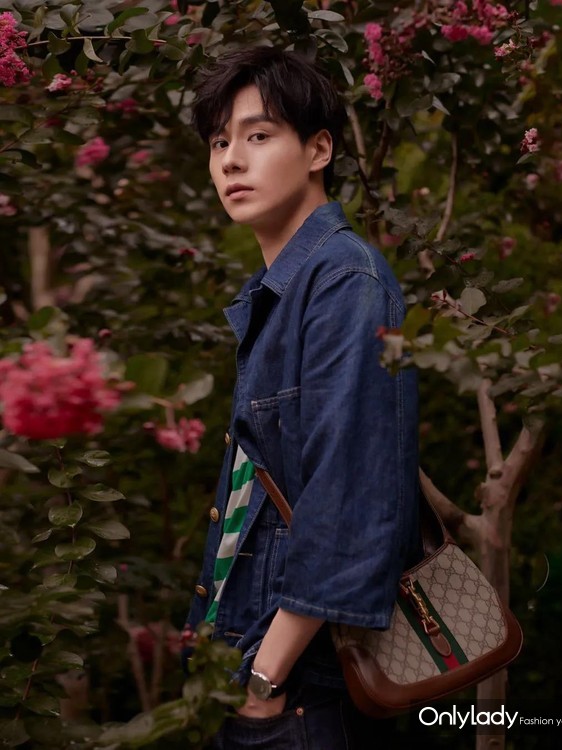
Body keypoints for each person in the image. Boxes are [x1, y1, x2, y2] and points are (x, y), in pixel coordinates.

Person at [181, 46, 421, 749]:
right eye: (219, 142)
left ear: (319, 150)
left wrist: (265, 678)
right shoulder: (279, 293)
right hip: (249, 662)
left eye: (258, 135)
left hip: (297, 692)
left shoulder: (346, 281)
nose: (231, 160)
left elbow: (351, 491)